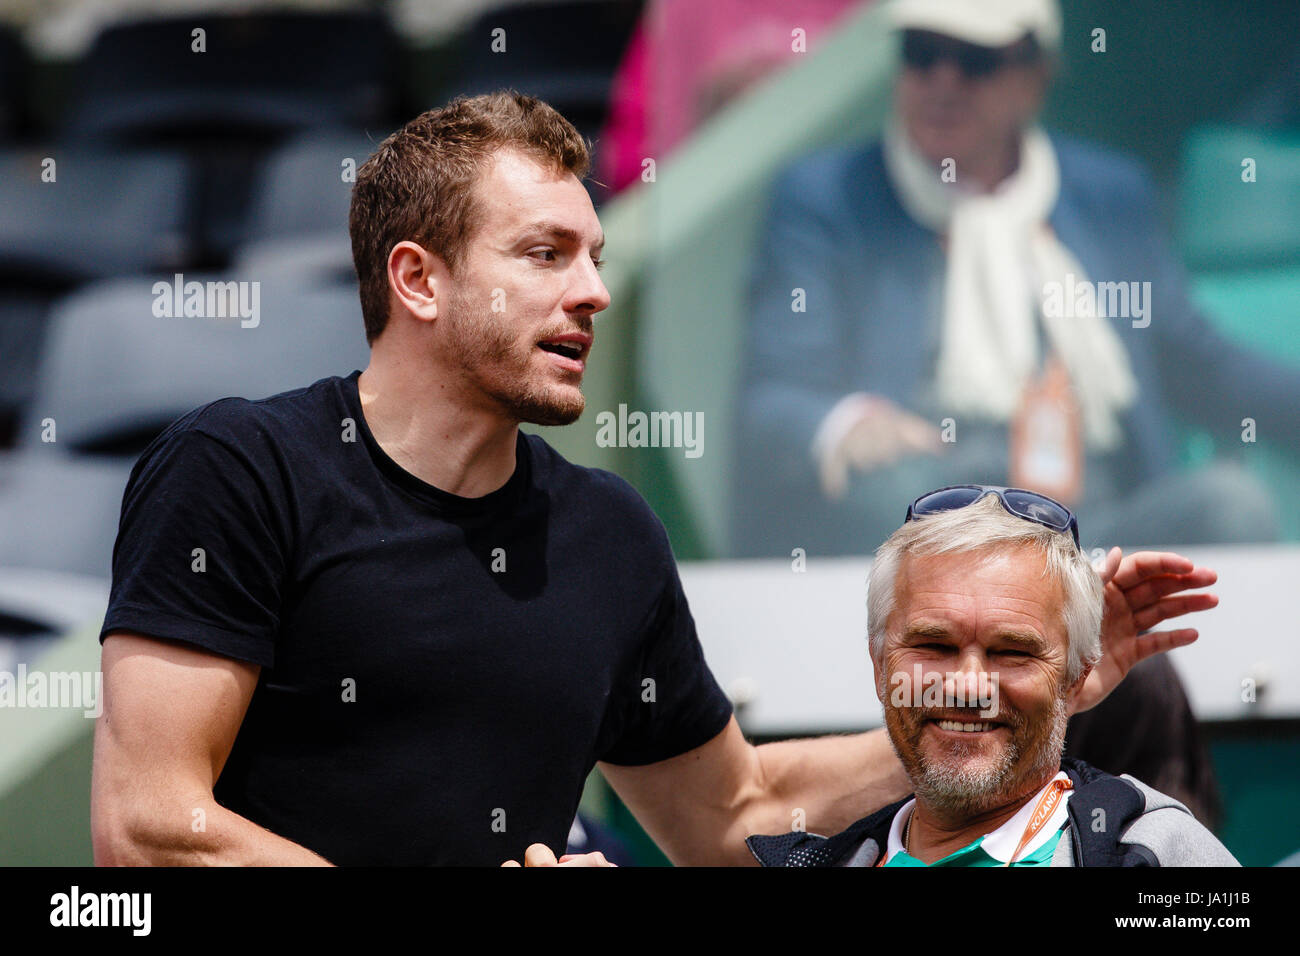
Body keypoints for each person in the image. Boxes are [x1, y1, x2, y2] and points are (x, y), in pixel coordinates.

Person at [90, 92, 1215, 867]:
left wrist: (1016, 696)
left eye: (596, 256)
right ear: (417, 280)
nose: (594, 293)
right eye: (544, 255)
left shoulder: (603, 532)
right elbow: (148, 828)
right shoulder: (240, 469)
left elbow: (734, 817)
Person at [732, 0, 1300, 558]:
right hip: (935, 524)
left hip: (1093, 528)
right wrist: (847, 423)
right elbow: (774, 397)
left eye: (974, 60)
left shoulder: (1107, 194)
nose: (943, 82)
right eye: (921, 53)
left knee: (1232, 504)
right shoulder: (828, 196)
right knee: (906, 493)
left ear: (1036, 74)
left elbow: (1206, 366)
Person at [747, 486, 1238, 866]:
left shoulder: (1156, 855)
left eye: (1011, 652)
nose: (968, 686)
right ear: (879, 664)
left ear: (1075, 679)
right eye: (934, 645)